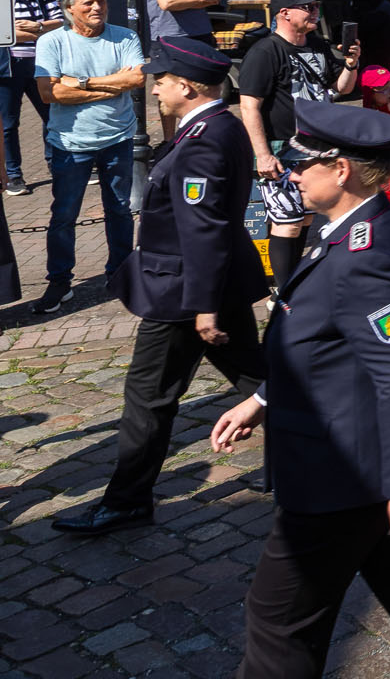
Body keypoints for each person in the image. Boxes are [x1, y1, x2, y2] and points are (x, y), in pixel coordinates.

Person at [206, 101, 390, 678]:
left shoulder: (366, 256)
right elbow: (326, 344)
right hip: (362, 466)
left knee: (276, 619)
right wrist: (263, 398)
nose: (291, 173)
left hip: (344, 473)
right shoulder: (347, 233)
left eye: (301, 163)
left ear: (340, 170)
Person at [51, 36, 267, 537]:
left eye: (163, 81)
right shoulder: (219, 126)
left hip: (188, 294)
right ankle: (326, 461)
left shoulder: (205, 139)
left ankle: (127, 501)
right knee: (260, 382)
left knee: (148, 398)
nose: (156, 90)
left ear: (188, 87)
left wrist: (204, 306)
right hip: (212, 285)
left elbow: (204, 229)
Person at [31, 0, 145, 314]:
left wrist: (80, 83)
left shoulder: (124, 37)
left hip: (118, 138)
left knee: (120, 211)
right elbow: (50, 92)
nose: (97, 7)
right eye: (89, 3)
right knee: (64, 215)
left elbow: (136, 78)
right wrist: (112, 85)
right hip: (69, 143)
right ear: (69, 9)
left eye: (101, 1)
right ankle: (60, 282)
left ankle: (121, 274)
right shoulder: (52, 42)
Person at [239, 0, 360, 293]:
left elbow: (344, 88)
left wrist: (351, 63)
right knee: (288, 222)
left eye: (316, 6)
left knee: (305, 220)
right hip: (282, 150)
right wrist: (262, 155)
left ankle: (294, 285)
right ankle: (285, 292)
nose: (314, 12)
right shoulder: (265, 52)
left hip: (318, 148)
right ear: (284, 13)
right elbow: (249, 106)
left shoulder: (317, 44)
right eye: (308, 7)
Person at [3, 0, 65, 196]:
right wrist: (39, 30)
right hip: (8, 64)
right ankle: (13, 175)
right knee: (9, 123)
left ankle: (55, 163)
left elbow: (59, 22)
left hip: (41, 61)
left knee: (51, 114)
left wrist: (36, 27)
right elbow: (3, 32)